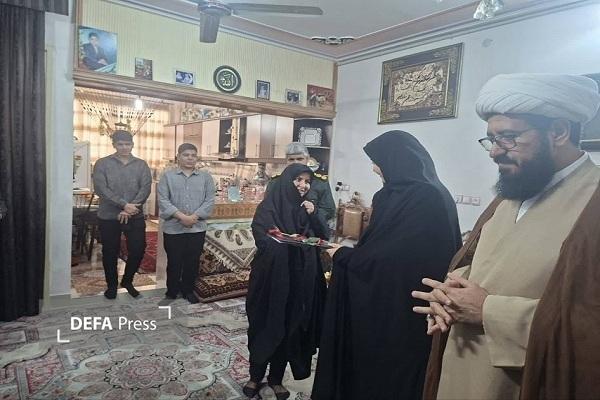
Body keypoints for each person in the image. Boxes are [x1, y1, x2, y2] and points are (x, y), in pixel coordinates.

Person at [412, 73, 600, 400]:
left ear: (558, 132)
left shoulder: (593, 200)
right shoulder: (514, 191)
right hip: (460, 372)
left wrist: (489, 311)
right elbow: (492, 263)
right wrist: (450, 294)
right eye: (491, 139)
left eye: (509, 137)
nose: (494, 152)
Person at [311, 131, 461, 400]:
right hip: (410, 302)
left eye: (377, 161)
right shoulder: (432, 192)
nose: (374, 168)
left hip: (400, 306)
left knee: (387, 373)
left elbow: (391, 260)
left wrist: (343, 256)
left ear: (395, 160)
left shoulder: (417, 196)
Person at [244, 163, 329, 400]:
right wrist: (284, 242)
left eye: (307, 181)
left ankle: (276, 379)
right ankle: (255, 375)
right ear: (286, 180)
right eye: (298, 179)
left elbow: (323, 236)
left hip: (298, 278)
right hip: (270, 278)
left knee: (290, 324)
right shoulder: (269, 205)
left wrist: (314, 214)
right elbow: (261, 235)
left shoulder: (306, 209)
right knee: (263, 322)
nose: (303, 185)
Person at [93, 130, 152, 299]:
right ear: (114, 145)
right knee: (110, 251)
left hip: (135, 215)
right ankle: (111, 285)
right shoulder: (102, 164)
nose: (124, 147)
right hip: (109, 216)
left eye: (128, 144)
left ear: (132, 145)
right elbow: (101, 189)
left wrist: (130, 208)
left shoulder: (141, 165)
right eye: (120, 144)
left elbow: (146, 188)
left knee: (138, 249)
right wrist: (124, 205)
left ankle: (127, 281)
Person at [157, 143, 215, 304]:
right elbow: (163, 200)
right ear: (178, 157)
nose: (190, 158)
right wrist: (182, 217)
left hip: (197, 228)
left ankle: (188, 290)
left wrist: (194, 217)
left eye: (193, 155)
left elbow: (210, 200)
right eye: (186, 155)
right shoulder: (167, 177)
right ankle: (172, 291)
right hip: (173, 228)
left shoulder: (206, 177)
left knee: (192, 261)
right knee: (174, 261)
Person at [267, 142, 336, 223]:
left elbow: (330, 211)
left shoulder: (320, 183)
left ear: (307, 159)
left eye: (300, 159)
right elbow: (267, 208)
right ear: (286, 161)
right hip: (282, 227)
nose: (295, 162)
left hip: (311, 227)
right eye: (291, 159)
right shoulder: (275, 182)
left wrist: (314, 211)